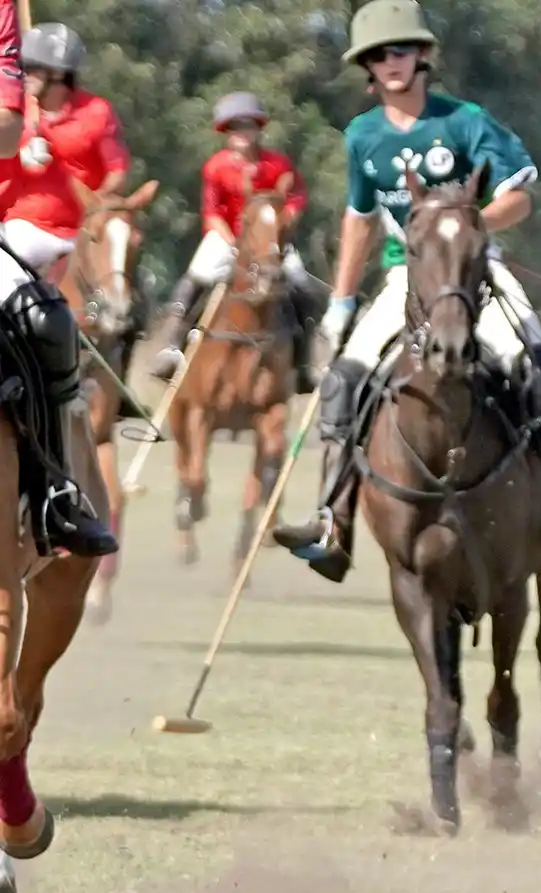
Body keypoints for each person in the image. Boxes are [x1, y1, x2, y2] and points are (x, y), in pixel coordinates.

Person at [270, 0, 541, 583]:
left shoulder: (466, 121)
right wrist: (343, 303)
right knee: (346, 377)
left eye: (400, 49)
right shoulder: (362, 137)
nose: (390, 62)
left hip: (477, 272)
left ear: (421, 55)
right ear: (367, 69)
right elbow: (359, 221)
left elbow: (520, 195)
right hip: (407, 278)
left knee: (540, 364)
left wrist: (468, 229)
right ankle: (332, 518)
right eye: (377, 55)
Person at [0, 3, 115, 557]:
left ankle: (55, 494)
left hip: (39, 228)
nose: (49, 83)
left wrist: (18, 138)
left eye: (56, 76)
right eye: (42, 73)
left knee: (46, 320)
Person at [143, 92, 322, 392]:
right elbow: (212, 213)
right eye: (235, 127)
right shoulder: (216, 167)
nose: (243, 132)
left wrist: (285, 221)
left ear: (258, 128)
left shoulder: (278, 165)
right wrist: (234, 244)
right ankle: (173, 347)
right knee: (195, 278)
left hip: (271, 241)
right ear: (226, 132)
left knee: (303, 287)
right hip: (228, 239)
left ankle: (302, 361)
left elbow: (297, 198)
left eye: (248, 125)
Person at [0, 23, 131, 284]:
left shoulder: (97, 112)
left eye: (33, 69)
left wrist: (97, 204)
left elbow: (117, 172)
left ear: (58, 74)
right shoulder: (14, 113)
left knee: (120, 274)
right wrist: (17, 156)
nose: (23, 75)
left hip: (82, 231)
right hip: (27, 226)